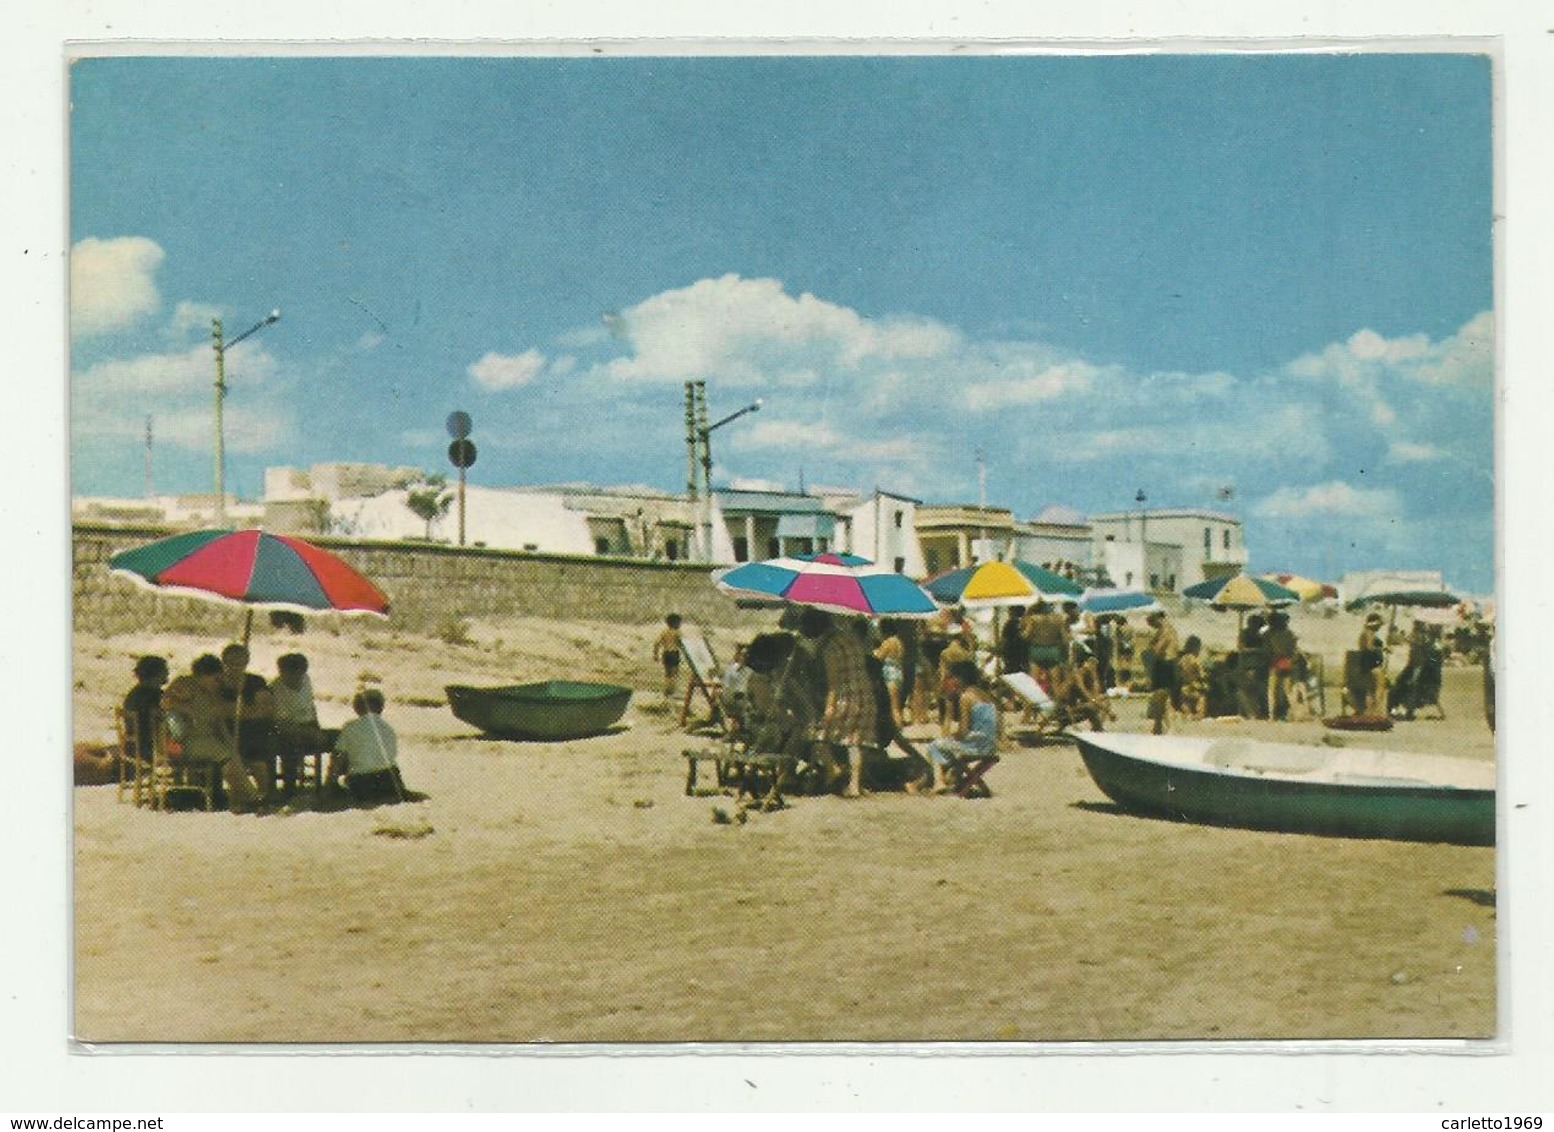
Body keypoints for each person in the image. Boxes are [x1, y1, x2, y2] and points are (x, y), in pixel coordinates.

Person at [163, 654, 267, 813]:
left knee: (231, 753)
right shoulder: (186, 685)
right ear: (203, 676)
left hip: (204, 740)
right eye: (215, 679)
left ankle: (246, 797)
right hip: (181, 743)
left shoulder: (212, 693)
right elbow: (166, 702)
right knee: (226, 756)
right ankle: (250, 798)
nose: (218, 683)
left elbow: (219, 719)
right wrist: (188, 709)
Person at [799, 607, 876, 798]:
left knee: (817, 735)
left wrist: (829, 707)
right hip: (865, 695)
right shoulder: (851, 638)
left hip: (846, 697)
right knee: (855, 742)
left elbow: (834, 683)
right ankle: (855, 785)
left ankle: (833, 769)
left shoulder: (829, 648)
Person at [919, 660, 998, 794]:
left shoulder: (966, 697)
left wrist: (954, 735)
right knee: (947, 746)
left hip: (976, 746)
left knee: (934, 746)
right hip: (990, 745)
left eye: (953, 677)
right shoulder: (985, 695)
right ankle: (954, 777)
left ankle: (939, 782)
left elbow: (963, 730)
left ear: (960, 678)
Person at [329, 688, 409, 805]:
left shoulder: (351, 728)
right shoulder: (388, 729)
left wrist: (330, 783)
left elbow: (338, 757)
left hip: (363, 783)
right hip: (390, 781)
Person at [217, 643, 276, 799]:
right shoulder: (218, 683)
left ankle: (265, 794)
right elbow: (219, 709)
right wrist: (241, 711)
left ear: (246, 662)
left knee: (257, 754)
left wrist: (245, 712)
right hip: (225, 730)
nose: (236, 666)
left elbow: (266, 706)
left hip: (252, 730)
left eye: (240, 662)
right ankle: (243, 794)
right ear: (224, 662)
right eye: (231, 662)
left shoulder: (254, 681)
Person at [272, 652, 323, 796]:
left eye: (298, 675)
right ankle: (289, 786)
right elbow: (282, 724)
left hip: (308, 724)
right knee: (290, 743)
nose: (294, 679)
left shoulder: (306, 680)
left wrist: (316, 728)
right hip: (287, 729)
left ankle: (332, 784)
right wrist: (309, 732)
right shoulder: (277, 689)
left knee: (339, 738)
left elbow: (311, 706)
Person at [122, 654, 170, 760]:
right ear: (156, 674)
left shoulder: (133, 694)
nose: (168, 674)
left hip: (132, 747)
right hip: (150, 748)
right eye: (165, 671)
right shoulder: (155, 696)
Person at [1144, 610, 1181, 734]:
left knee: (1161, 695)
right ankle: (1162, 726)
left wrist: (1149, 653)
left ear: (1157, 618)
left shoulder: (1165, 630)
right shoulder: (1167, 629)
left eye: (1151, 621)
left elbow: (1159, 650)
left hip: (1165, 665)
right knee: (1164, 697)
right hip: (1168, 664)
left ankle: (1160, 725)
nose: (1150, 624)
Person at [1263, 611, 1300, 722]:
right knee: (1288, 691)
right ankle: (1295, 714)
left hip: (1275, 663)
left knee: (1272, 690)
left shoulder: (1270, 635)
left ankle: (1272, 716)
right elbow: (1293, 650)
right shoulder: (1290, 634)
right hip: (1288, 663)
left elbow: (1268, 649)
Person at [874, 620, 907, 732]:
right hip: (898, 673)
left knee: (893, 707)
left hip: (890, 675)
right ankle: (899, 729)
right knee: (897, 705)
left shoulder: (887, 642)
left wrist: (875, 651)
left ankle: (897, 731)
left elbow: (879, 658)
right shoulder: (899, 641)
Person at [1356, 612, 1388, 714]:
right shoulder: (1369, 633)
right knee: (1379, 688)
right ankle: (1376, 711)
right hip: (1372, 664)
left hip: (1367, 664)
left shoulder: (1366, 632)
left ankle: (1371, 711)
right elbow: (1369, 648)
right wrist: (1382, 648)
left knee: (1372, 689)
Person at [720, 644, 753, 734]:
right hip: (730, 698)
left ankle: (740, 728)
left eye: (747, 655)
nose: (745, 657)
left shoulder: (750, 671)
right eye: (743, 655)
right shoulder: (732, 669)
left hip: (742, 699)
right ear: (738, 655)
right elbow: (726, 685)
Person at [1177, 636, 1209, 721]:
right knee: (1201, 702)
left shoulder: (1182, 660)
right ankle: (1197, 715)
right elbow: (1201, 675)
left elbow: (1178, 674)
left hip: (1184, 688)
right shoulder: (1196, 660)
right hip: (1195, 688)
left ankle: (1187, 715)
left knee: (1186, 707)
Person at [653, 613, 683, 701]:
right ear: (676, 623)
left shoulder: (664, 632)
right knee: (675, 672)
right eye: (679, 623)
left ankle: (667, 691)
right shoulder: (677, 632)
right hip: (674, 653)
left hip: (666, 653)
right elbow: (682, 643)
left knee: (668, 673)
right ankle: (672, 691)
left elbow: (657, 643)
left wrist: (655, 654)